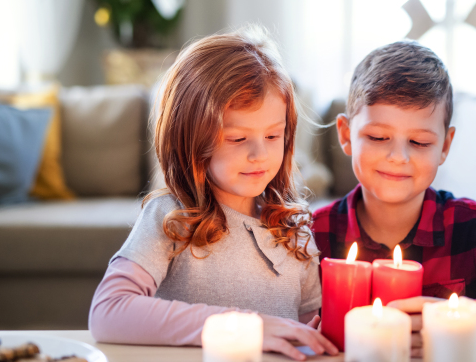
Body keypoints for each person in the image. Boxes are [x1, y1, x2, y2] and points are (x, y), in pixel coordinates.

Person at [89, 25, 338, 361]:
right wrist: (245, 327)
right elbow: (108, 311)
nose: (259, 155)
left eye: (273, 136)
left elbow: (310, 328)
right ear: (191, 139)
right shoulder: (173, 217)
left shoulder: (295, 227)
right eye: (237, 138)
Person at [312, 40, 476, 357]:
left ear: (445, 146)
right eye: (378, 137)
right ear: (345, 134)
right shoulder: (311, 236)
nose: (398, 157)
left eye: (420, 142)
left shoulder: (474, 230)